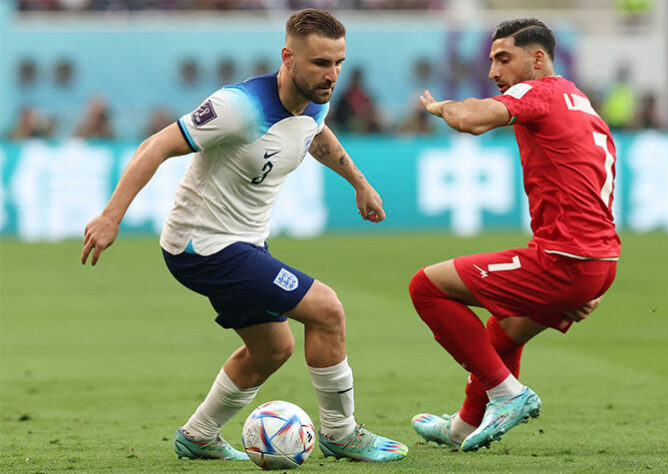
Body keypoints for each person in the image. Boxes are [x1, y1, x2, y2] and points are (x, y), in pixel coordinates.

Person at [81, 8, 407, 463]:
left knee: (273, 348)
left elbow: (315, 135)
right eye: (320, 63)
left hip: (243, 244)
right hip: (204, 247)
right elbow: (155, 145)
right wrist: (110, 216)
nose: (331, 74)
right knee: (327, 311)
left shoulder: (317, 95)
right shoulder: (237, 108)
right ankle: (341, 432)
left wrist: (360, 183)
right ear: (287, 58)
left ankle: (198, 436)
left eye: (338, 62)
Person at [410, 18, 620, 452]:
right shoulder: (581, 104)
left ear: (538, 58)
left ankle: (508, 395)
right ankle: (464, 427)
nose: (493, 71)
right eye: (491, 60)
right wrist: (594, 272)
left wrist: (440, 108)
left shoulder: (538, 91)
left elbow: (470, 119)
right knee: (505, 330)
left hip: (564, 259)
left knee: (427, 287)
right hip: (597, 262)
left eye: (503, 59)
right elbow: (601, 183)